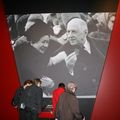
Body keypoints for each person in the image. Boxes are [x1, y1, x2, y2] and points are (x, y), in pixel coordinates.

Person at [47, 16, 105, 96]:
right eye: (68, 32)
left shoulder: (104, 45)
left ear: (85, 32)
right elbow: (58, 86)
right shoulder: (59, 54)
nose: (70, 35)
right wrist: (70, 71)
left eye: (74, 32)